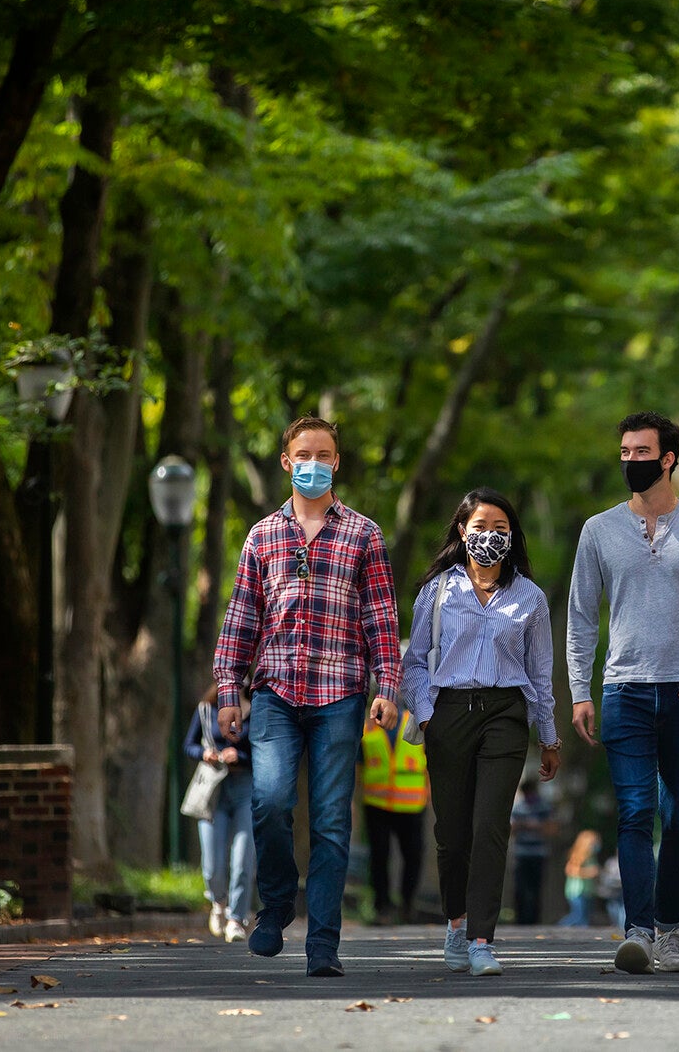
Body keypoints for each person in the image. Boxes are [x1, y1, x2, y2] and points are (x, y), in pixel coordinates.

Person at [212, 415, 404, 978]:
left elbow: (381, 618)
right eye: (303, 454)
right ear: (286, 461)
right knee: (270, 803)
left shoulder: (363, 534)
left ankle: (323, 941)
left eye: (324, 454)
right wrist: (229, 691)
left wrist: (385, 687)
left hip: (340, 694)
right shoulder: (262, 535)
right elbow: (241, 616)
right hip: (274, 692)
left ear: (337, 462)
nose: (313, 463)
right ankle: (274, 908)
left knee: (329, 821)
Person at [567, 411, 679, 975]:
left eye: (641, 452)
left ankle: (670, 931)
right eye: (623, 452)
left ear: (668, 458)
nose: (629, 461)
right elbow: (579, 619)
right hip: (623, 688)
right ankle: (638, 931)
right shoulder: (598, 530)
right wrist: (580, 689)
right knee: (635, 811)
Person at [401, 487, 561, 977]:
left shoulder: (530, 597)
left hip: (505, 716)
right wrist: (428, 716)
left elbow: (540, 672)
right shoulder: (437, 591)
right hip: (449, 713)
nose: (489, 537)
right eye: (479, 528)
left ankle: (481, 940)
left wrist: (549, 737)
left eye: (500, 529)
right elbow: (413, 664)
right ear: (460, 532)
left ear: (512, 537)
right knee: (452, 834)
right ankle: (456, 923)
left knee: (491, 825)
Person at [183, 685, 255, 944]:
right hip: (213, 790)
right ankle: (218, 903)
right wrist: (205, 754)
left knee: (243, 858)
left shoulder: (257, 709)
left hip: (245, 788)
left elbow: (267, 753)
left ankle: (236, 919)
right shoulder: (206, 709)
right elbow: (188, 745)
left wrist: (241, 755)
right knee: (212, 864)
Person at [359, 703, 429, 925]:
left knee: (413, 856)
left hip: (412, 802)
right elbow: (359, 764)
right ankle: (383, 907)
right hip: (376, 802)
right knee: (379, 856)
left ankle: (408, 904)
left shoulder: (417, 721)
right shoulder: (367, 727)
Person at [509, 778, 555, 925]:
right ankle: (520, 919)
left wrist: (537, 826)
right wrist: (524, 825)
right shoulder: (518, 807)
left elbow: (552, 828)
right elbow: (511, 829)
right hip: (521, 853)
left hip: (538, 853)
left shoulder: (543, 806)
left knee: (536, 889)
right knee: (520, 888)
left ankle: (534, 920)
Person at [560, 829, 602, 926]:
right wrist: (589, 872)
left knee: (586, 917)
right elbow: (570, 871)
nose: (596, 845)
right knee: (578, 916)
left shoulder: (592, 857)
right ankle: (560, 927)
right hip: (577, 891)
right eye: (593, 843)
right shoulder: (578, 856)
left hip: (588, 891)